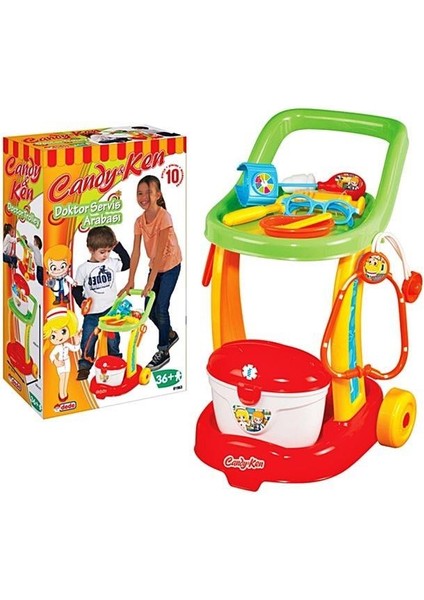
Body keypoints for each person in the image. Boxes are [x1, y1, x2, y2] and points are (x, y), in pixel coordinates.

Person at [120, 175, 181, 371]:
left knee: (161, 307)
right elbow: (136, 252)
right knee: (149, 309)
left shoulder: (165, 217)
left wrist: (150, 282)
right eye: (140, 193)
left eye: (148, 192)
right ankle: (170, 334)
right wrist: (130, 280)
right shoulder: (139, 222)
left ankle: (163, 350)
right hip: (155, 266)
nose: (143, 197)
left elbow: (162, 252)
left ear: (158, 195)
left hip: (170, 266)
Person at [72, 226, 130, 381]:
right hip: (92, 313)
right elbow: (76, 289)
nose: (106, 255)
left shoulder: (111, 263)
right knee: (88, 340)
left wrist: (117, 246)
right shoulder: (83, 269)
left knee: (113, 339)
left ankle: (115, 361)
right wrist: (81, 302)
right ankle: (85, 365)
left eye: (109, 251)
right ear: (91, 249)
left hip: (111, 311)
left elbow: (127, 263)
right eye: (102, 252)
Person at [43, 307, 81, 403]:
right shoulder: (57, 348)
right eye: (53, 335)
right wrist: (55, 361)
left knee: (66, 377)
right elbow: (51, 356)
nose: (59, 337)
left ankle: (64, 392)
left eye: (63, 331)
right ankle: (61, 394)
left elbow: (75, 349)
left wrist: (77, 341)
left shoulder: (67, 345)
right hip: (60, 363)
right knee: (62, 378)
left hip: (67, 362)